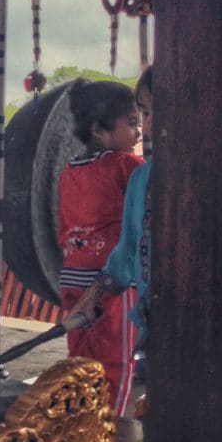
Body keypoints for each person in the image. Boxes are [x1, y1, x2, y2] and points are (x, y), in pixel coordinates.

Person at [69, 64, 222, 375]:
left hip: (218, 335)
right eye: (144, 115)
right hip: (161, 328)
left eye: (152, 114)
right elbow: (125, 254)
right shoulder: (141, 181)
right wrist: (93, 296)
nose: (148, 130)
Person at [58, 79, 144, 417]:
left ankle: (79, 421)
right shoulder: (127, 166)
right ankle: (108, 430)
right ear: (100, 131)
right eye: (133, 122)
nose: (139, 132)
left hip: (73, 276)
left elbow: (64, 228)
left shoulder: (69, 171)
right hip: (111, 282)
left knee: (80, 357)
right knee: (116, 361)